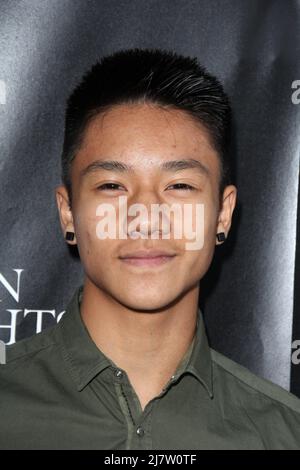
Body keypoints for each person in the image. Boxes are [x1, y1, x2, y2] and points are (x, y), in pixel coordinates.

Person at [0, 47, 299, 450]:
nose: (145, 217)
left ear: (223, 215)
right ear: (69, 212)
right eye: (112, 186)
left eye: (179, 186)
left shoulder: (284, 434)